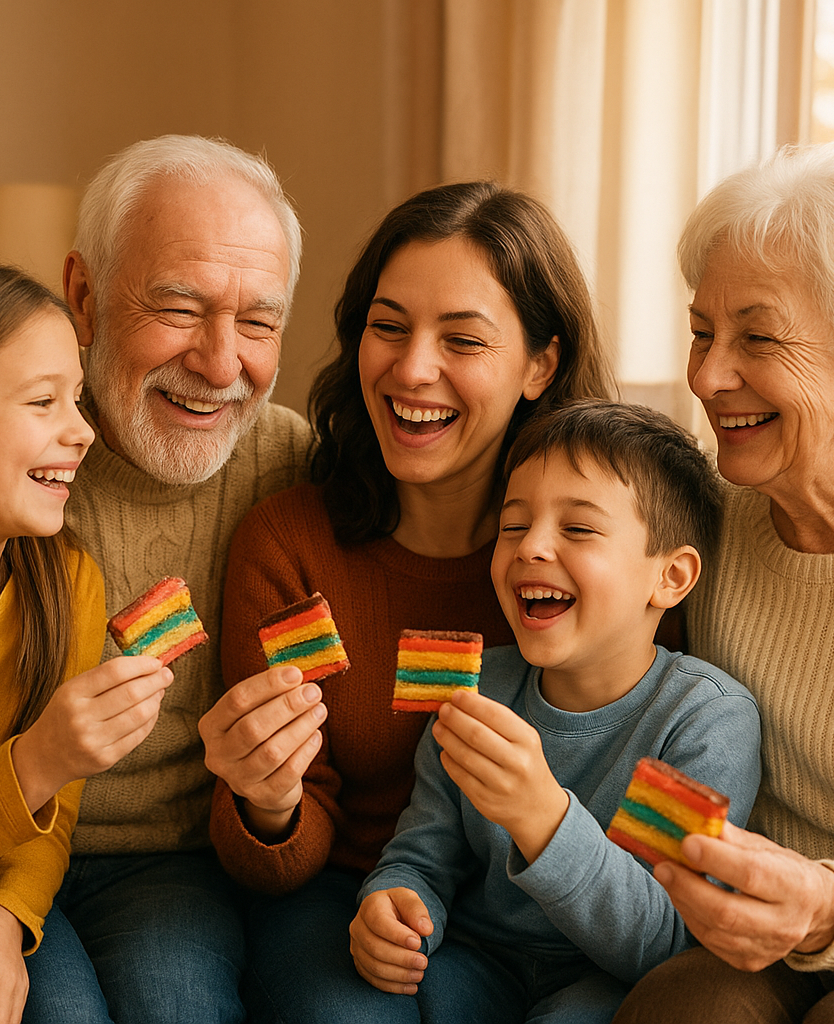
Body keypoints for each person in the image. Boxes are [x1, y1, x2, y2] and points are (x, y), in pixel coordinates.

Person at [199, 181, 617, 1021]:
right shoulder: (292, 546)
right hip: (340, 892)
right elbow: (284, 852)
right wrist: (269, 804)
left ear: (541, 363)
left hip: (535, 912)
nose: (411, 368)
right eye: (387, 328)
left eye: (462, 338)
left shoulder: (606, 560)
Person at [612, 141, 834, 1024]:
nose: (709, 378)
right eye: (701, 332)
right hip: (752, 925)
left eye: (757, 336)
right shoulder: (707, 521)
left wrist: (828, 904)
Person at [348, 399, 762, 1023]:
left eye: (578, 529)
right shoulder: (476, 690)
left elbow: (660, 939)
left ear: (671, 578)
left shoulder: (700, 721)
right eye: (513, 525)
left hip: (605, 981)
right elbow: (423, 854)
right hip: (474, 960)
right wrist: (393, 904)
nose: (530, 548)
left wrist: (542, 816)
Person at [58, 136, 313, 1023]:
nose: (218, 363)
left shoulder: (293, 466)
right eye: (178, 306)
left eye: (258, 322)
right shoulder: (4, 454)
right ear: (83, 296)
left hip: (170, 869)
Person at [0, 256, 172, 1023]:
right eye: (42, 401)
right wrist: (38, 761)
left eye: (78, 399)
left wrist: (9, 908)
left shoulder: (69, 586)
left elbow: (51, 813)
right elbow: (41, 774)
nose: (82, 431)